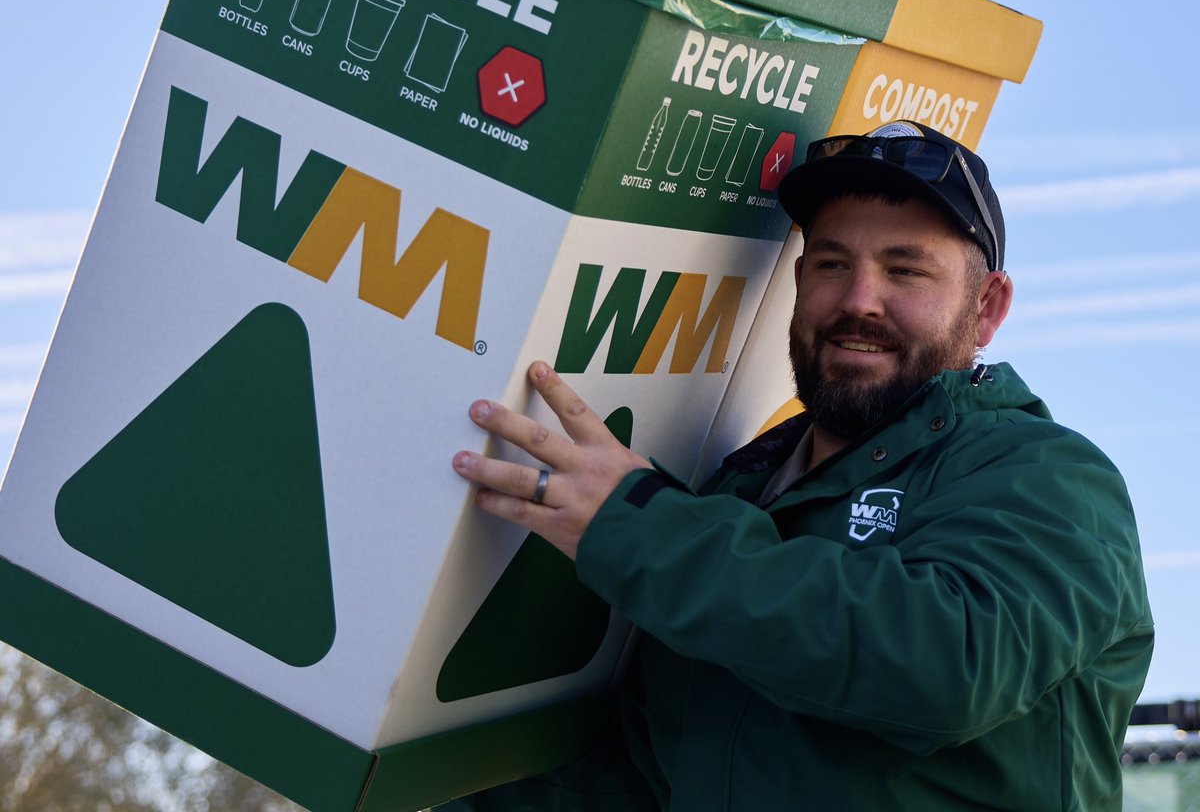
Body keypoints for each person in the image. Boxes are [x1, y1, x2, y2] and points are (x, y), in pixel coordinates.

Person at [443, 121, 1154, 811]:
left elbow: (951, 667)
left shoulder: (1049, 476)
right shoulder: (738, 493)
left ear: (987, 308)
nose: (858, 301)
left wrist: (642, 527)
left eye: (905, 270)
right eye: (832, 264)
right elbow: (652, 778)